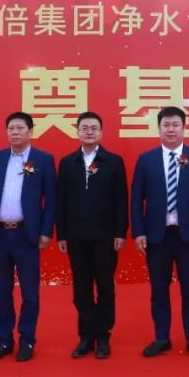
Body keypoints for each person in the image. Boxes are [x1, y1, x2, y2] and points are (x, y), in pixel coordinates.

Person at [130, 106, 189, 358]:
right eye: (166, 125)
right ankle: (161, 337)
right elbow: (136, 199)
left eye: (176, 124)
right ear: (159, 128)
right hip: (157, 237)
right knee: (159, 291)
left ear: (183, 128)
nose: (171, 129)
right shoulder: (146, 160)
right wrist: (139, 231)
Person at [0, 112, 56, 362]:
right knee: (1, 291)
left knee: (30, 293)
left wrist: (46, 232)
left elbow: (51, 201)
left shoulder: (43, 160)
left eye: (20, 128)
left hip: (27, 235)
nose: (15, 132)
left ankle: (27, 340)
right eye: (11, 128)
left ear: (30, 131)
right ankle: (4, 340)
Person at [56, 111, 129, 359]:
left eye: (94, 128)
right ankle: (86, 335)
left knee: (105, 286)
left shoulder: (113, 161)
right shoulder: (68, 162)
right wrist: (61, 234)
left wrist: (120, 232)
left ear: (101, 132)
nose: (89, 132)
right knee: (81, 287)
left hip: (105, 236)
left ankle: (103, 335)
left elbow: (121, 199)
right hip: (76, 236)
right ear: (77, 131)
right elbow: (60, 201)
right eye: (84, 128)